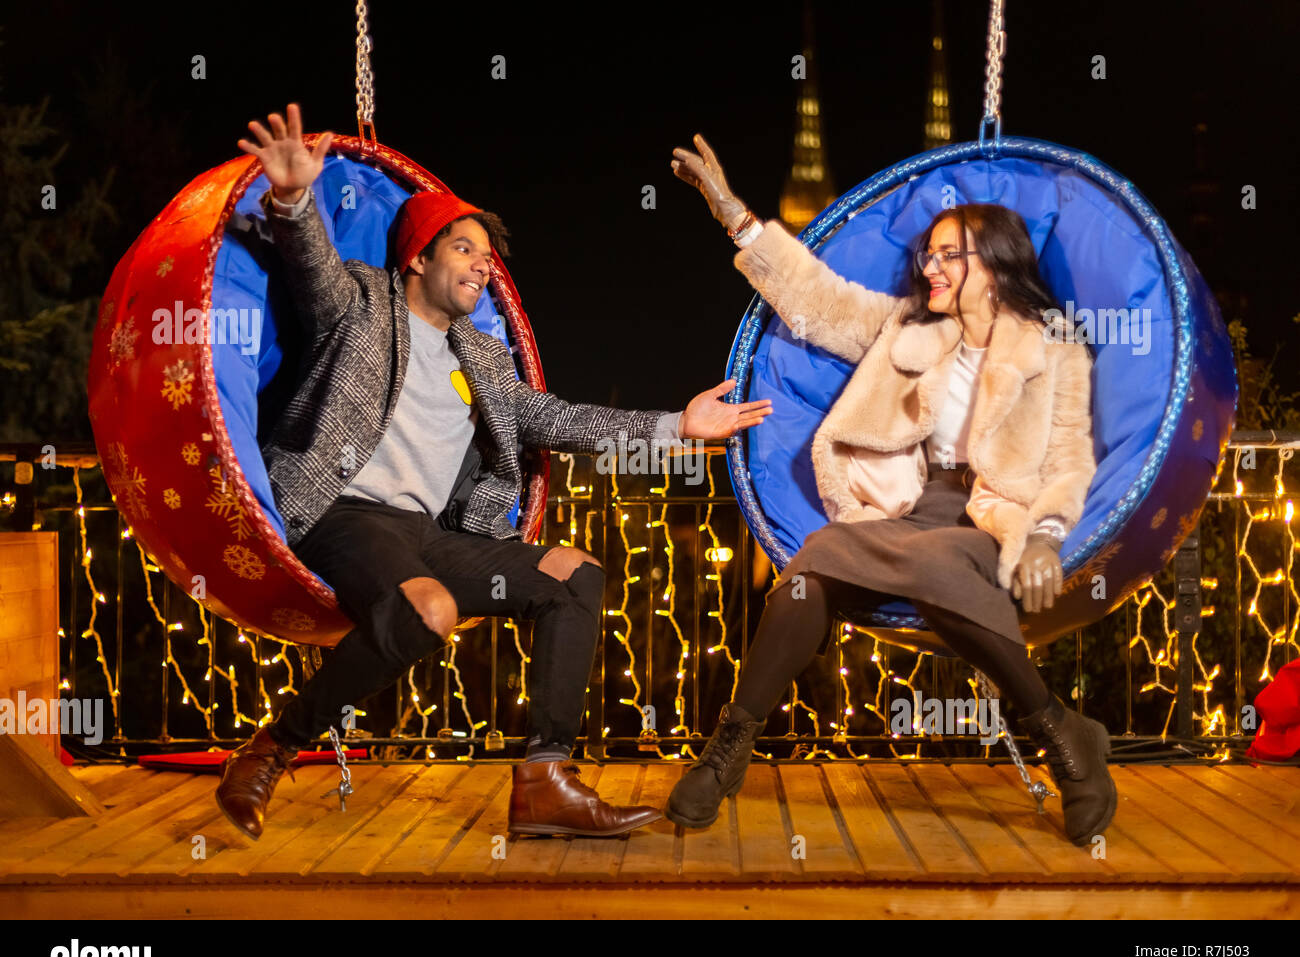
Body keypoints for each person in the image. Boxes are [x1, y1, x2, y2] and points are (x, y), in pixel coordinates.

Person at [215, 107, 772, 841]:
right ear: (417, 258)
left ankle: (544, 779)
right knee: (430, 609)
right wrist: (291, 199)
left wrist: (676, 425)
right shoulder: (360, 302)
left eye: (489, 257)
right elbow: (309, 267)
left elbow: (564, 419)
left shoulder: (482, 360)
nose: (485, 264)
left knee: (577, 575)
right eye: (466, 248)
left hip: (429, 535)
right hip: (341, 512)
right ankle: (273, 746)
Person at [664, 134, 1115, 846]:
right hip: (905, 507)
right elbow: (812, 298)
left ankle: (1061, 738)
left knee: (937, 561)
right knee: (814, 563)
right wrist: (732, 213)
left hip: (988, 515)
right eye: (925, 254)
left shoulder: (1053, 350)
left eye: (947, 255)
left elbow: (1068, 461)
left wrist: (1049, 534)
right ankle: (730, 750)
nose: (928, 265)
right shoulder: (905, 327)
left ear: (993, 264)